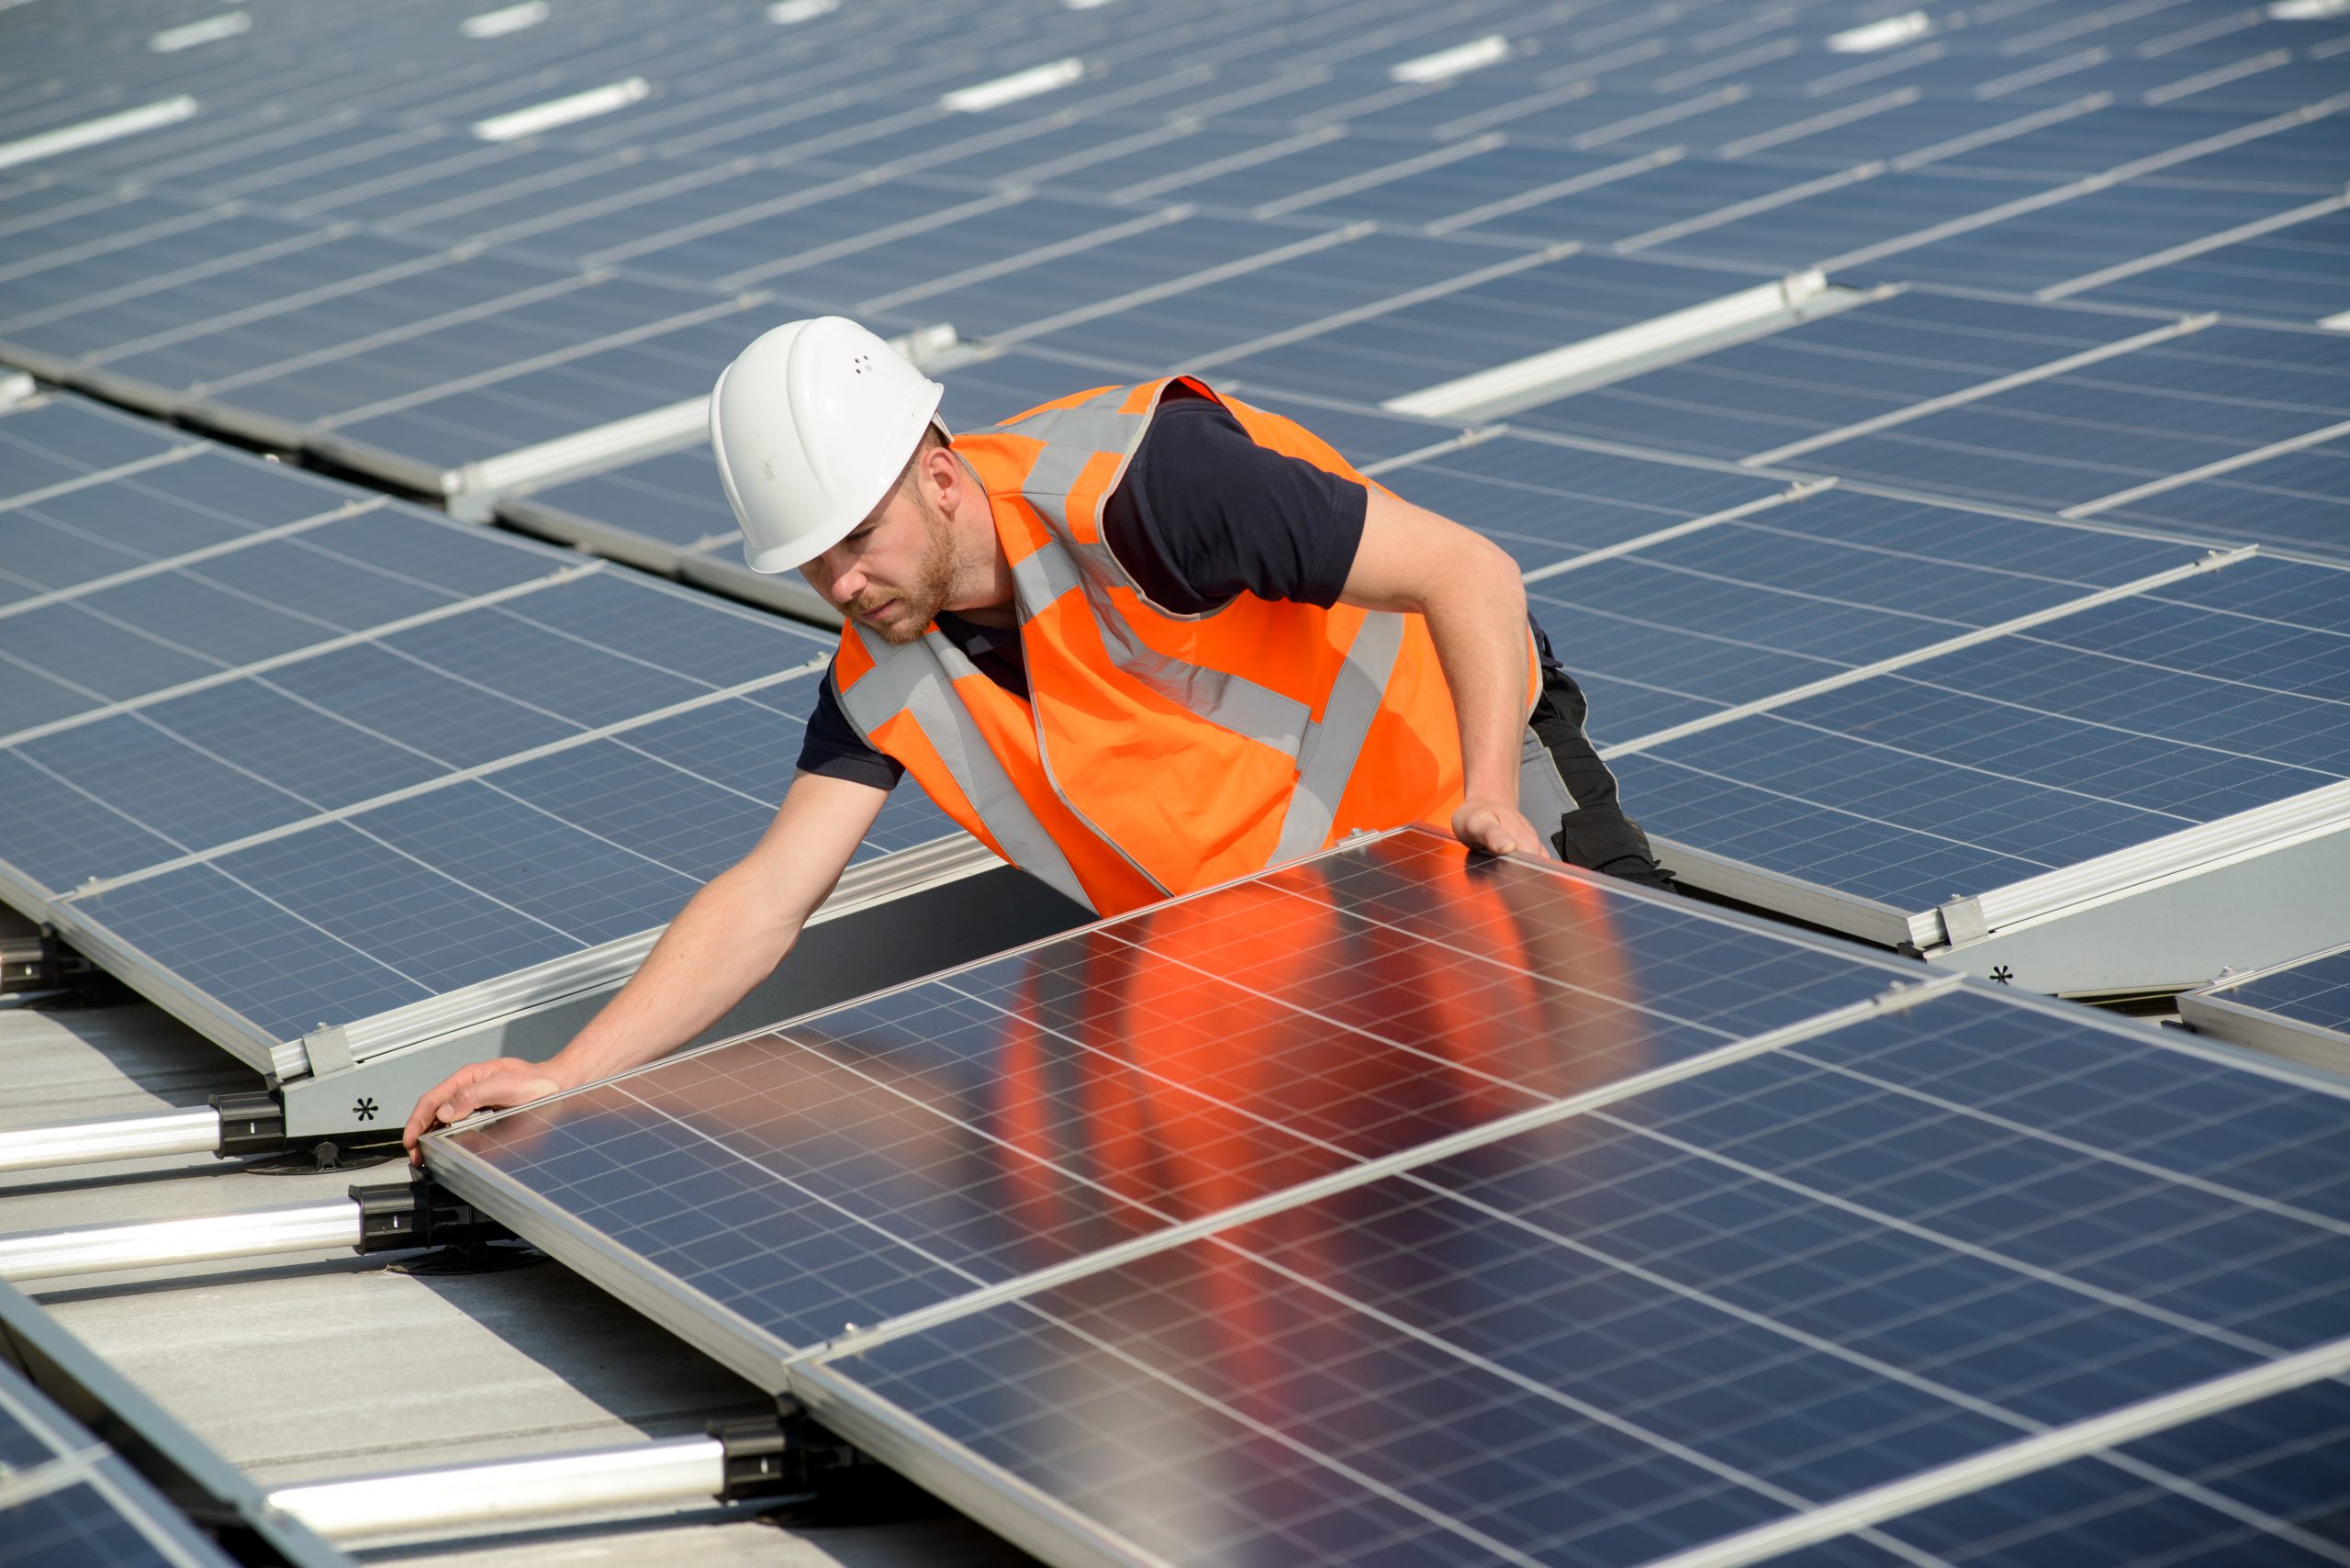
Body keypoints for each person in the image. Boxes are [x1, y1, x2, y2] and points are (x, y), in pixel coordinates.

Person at [402, 317, 1670, 1160]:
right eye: (811, 561)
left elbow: (1473, 575)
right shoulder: (884, 673)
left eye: (857, 538)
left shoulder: (1146, 490)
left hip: (1466, 778)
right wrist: (567, 1071)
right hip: (1316, 931)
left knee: (1626, 1128)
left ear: (941, 476)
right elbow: (766, 900)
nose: (841, 582)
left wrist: (1496, 793)